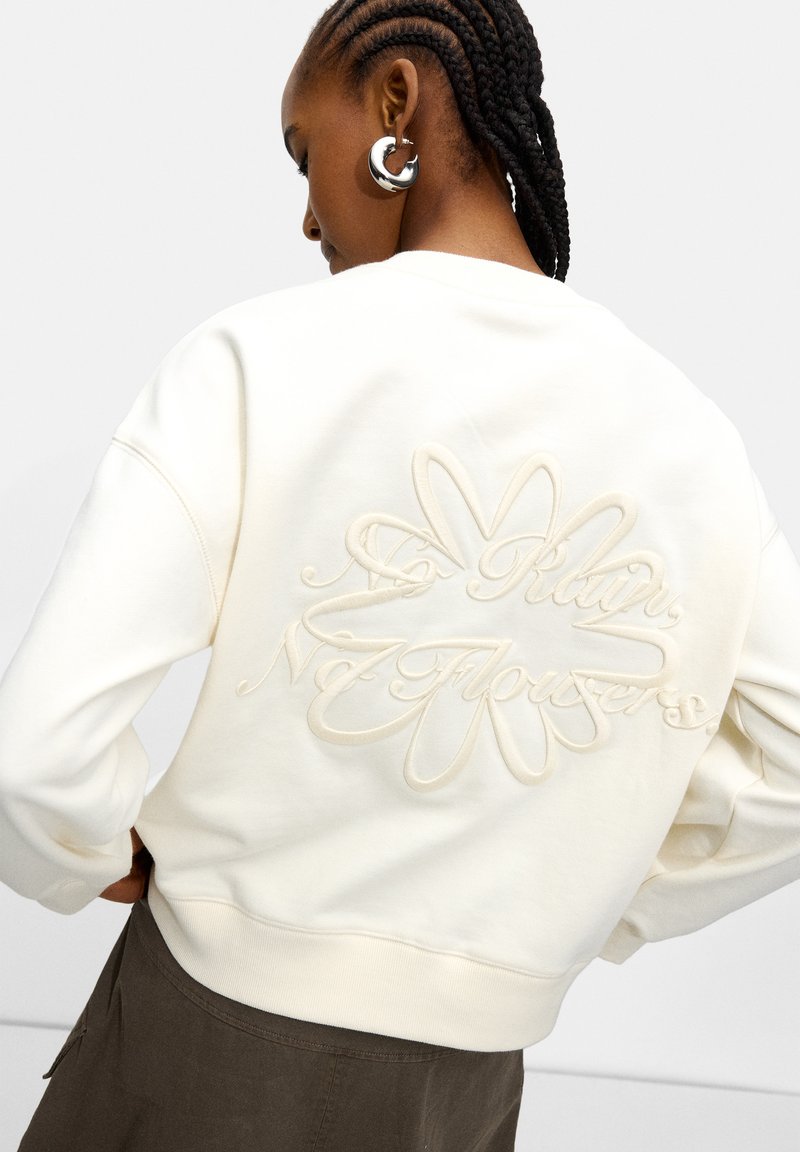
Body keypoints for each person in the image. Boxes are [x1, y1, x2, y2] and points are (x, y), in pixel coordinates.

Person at [1, 1, 799, 1149]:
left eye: (302, 152)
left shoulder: (257, 362)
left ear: (394, 103)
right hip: (469, 1081)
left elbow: (33, 757)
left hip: (207, 1037)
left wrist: (78, 849)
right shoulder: (690, 435)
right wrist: (574, 901)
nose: (305, 214)